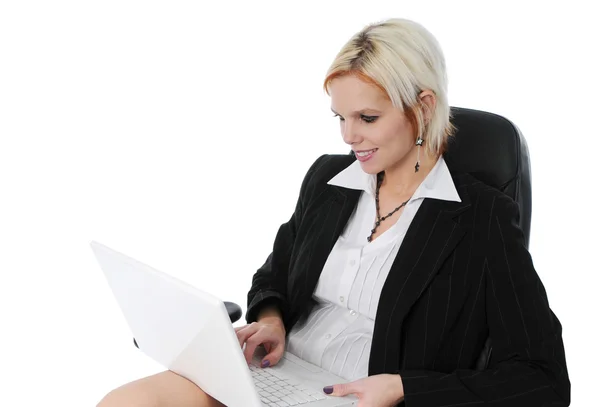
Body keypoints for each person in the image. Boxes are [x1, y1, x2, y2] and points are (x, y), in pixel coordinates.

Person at [97, 18, 570, 407]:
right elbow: (275, 274)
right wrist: (273, 320)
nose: (348, 137)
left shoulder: (480, 218)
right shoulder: (328, 181)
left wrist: (402, 387)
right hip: (272, 378)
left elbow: (542, 379)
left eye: (367, 119)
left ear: (423, 108)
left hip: (353, 397)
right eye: (339, 118)